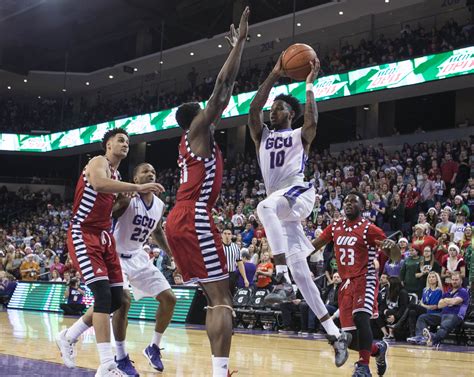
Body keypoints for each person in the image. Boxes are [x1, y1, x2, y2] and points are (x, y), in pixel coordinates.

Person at [247, 45, 351, 368]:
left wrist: (309, 84)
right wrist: (275, 74)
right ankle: (335, 335)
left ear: (289, 114)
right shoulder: (261, 135)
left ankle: (279, 278)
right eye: (271, 109)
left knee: (264, 208)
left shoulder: (298, 135)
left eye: (277, 109)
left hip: (298, 193)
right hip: (282, 208)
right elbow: (252, 108)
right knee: (302, 274)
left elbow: (314, 121)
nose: (271, 112)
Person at [164, 8, 249, 377]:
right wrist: (240, 45)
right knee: (221, 299)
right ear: (196, 117)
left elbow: (222, 98)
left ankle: (220, 370)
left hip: (180, 218)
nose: (213, 112)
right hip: (194, 216)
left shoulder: (191, 144)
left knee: (215, 298)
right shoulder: (198, 131)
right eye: (205, 111)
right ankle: (220, 373)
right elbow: (222, 89)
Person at [56, 128, 163, 377]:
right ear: (108, 145)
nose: (126, 144)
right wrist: (137, 188)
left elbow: (108, 203)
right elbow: (98, 183)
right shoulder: (98, 162)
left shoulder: (116, 175)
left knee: (117, 299)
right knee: (103, 296)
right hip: (84, 233)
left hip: (105, 237)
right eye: (121, 140)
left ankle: (68, 336)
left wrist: (122, 199)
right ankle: (107, 364)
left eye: (128, 141)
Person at [314, 192, 401, 377]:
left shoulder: (370, 228)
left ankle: (363, 366)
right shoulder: (335, 226)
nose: (348, 203)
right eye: (346, 201)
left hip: (365, 278)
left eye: (353, 201)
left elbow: (394, 255)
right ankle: (377, 350)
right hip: (345, 283)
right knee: (351, 339)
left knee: (361, 317)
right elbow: (315, 244)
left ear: (363, 206)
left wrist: (392, 248)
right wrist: (296, 256)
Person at [110, 163, 176, 375]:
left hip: (138, 256)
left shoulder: (159, 204)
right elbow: (108, 214)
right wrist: (121, 195)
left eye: (153, 171)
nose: (151, 174)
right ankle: (120, 357)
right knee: (123, 301)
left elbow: (156, 232)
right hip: (116, 256)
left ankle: (153, 347)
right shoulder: (127, 198)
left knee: (169, 299)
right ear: (136, 180)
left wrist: (172, 253)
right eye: (145, 171)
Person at [416, 272, 470, 347]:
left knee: (444, 326)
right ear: (451, 281)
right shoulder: (448, 292)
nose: (454, 281)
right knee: (422, 318)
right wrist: (449, 301)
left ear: (461, 281)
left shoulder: (463, 291)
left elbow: (455, 301)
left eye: (457, 280)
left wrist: (446, 301)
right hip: (442, 315)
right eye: (453, 279)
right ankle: (420, 337)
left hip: (456, 315)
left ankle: (432, 338)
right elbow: (439, 305)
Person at [406, 272, 443, 342]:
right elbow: (422, 303)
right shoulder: (425, 290)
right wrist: (423, 305)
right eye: (429, 277)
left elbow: (434, 306)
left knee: (411, 305)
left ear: (437, 279)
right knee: (412, 312)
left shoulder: (439, 291)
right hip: (425, 311)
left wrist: (423, 305)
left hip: (434, 313)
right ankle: (413, 335)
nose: (431, 279)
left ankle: (399, 324)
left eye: (433, 277)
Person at [376, 276, 409, 341]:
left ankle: (391, 334)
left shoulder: (403, 293)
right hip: (388, 311)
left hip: (398, 313)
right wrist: (383, 310)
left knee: (390, 312)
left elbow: (403, 308)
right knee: (377, 314)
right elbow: (383, 304)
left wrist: (395, 316)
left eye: (388, 283)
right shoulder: (388, 291)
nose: (387, 285)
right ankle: (385, 333)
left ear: (393, 284)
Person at [221, 229, 249, 294]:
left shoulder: (235, 247)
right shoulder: (218, 246)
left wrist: (245, 278)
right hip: (220, 275)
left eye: (229, 234)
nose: (227, 235)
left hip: (232, 274)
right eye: (225, 233)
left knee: (231, 295)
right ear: (222, 235)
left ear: (232, 236)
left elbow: (240, 263)